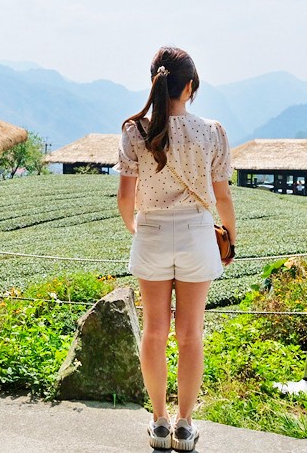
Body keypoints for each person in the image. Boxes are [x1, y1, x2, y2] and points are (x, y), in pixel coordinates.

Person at [117, 46, 237, 451]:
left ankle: (160, 423)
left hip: (150, 232)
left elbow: (124, 198)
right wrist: (230, 239)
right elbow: (222, 197)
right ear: (188, 86)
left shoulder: (134, 131)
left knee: (154, 330)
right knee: (190, 334)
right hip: (197, 235)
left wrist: (140, 228)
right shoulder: (213, 131)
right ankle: (186, 424)